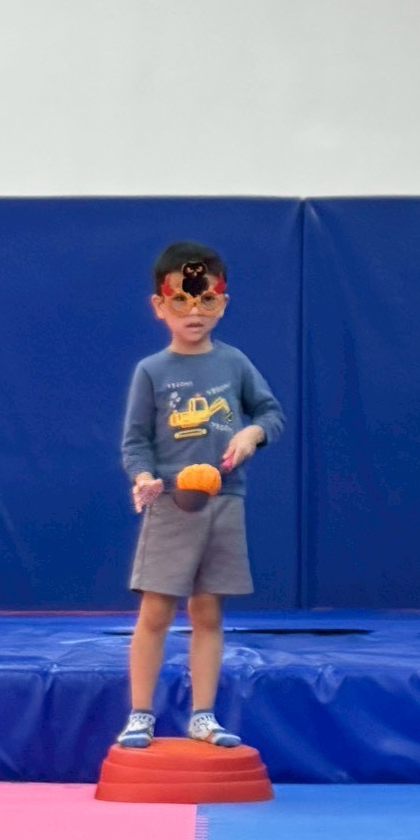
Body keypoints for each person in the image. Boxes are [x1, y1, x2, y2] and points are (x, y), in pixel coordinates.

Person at [117, 241, 285, 749]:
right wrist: (143, 477)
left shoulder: (234, 363)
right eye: (181, 301)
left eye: (206, 299)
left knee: (208, 612)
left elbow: (270, 413)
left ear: (222, 303)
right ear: (159, 306)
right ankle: (140, 714)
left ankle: (203, 715)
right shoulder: (152, 371)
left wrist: (251, 434)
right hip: (171, 503)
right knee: (156, 612)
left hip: (224, 500)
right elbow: (135, 442)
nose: (194, 312)